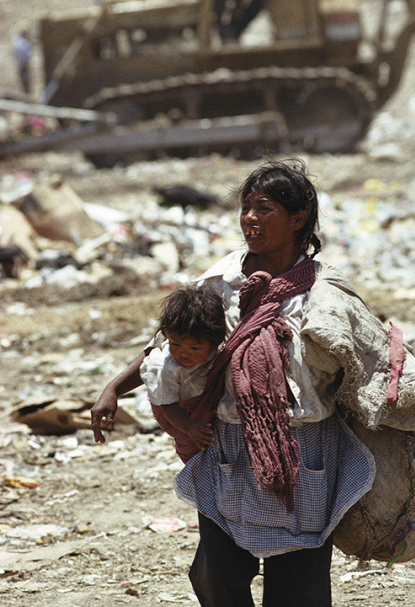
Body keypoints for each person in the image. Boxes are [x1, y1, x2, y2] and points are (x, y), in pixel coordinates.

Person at [91, 157, 376, 606]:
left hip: (304, 456)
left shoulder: (326, 296)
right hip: (226, 448)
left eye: (264, 208)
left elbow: (370, 370)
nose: (249, 219)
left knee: (298, 587)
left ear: (298, 218)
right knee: (215, 575)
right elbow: (168, 345)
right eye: (246, 207)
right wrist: (113, 388)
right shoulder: (220, 282)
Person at [140, 284, 226, 457]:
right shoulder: (166, 367)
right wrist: (189, 427)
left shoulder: (219, 353)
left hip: (199, 401)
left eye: (194, 348)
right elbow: (167, 406)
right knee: (192, 448)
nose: (183, 353)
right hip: (175, 411)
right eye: (176, 344)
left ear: (214, 342)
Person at [11, 28, 33, 94]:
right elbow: (27, 55)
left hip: (19, 63)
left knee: (23, 80)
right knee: (26, 81)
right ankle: (27, 94)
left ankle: (25, 94)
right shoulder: (24, 43)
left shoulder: (16, 41)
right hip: (24, 64)